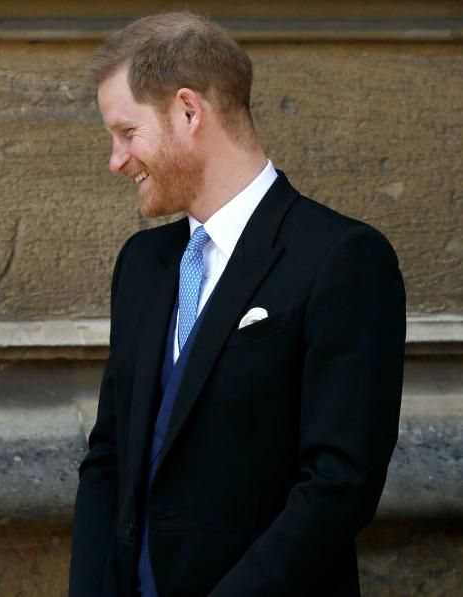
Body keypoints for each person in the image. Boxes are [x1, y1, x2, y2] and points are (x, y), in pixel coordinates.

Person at [69, 12, 405, 597]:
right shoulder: (143, 266)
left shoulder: (341, 259)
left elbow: (337, 484)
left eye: (127, 133)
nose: (116, 160)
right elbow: (109, 460)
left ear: (188, 111)